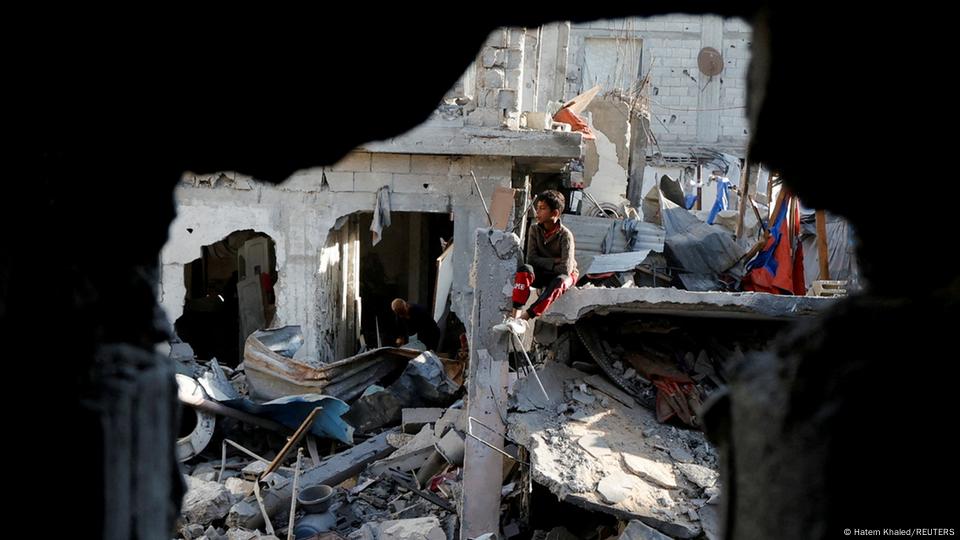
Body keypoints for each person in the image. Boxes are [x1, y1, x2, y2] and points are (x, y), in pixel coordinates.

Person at [495, 190, 578, 334]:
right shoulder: (534, 230)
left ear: (555, 213)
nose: (537, 211)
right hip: (545, 272)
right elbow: (531, 260)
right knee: (524, 270)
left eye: (542, 208)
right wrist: (554, 261)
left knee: (559, 282)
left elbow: (565, 269)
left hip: (565, 275)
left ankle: (524, 319)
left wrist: (546, 263)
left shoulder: (566, 236)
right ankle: (515, 317)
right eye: (537, 207)